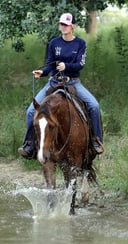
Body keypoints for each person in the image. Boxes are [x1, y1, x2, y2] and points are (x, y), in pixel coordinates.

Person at [18, 13, 104, 159]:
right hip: (53, 82)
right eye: (61, 24)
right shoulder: (54, 43)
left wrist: (67, 66)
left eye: (66, 24)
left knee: (94, 106)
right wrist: (42, 72)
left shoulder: (80, 44)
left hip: (73, 82)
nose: (63, 27)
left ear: (73, 26)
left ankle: (96, 140)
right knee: (31, 112)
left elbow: (80, 65)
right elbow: (50, 64)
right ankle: (30, 144)